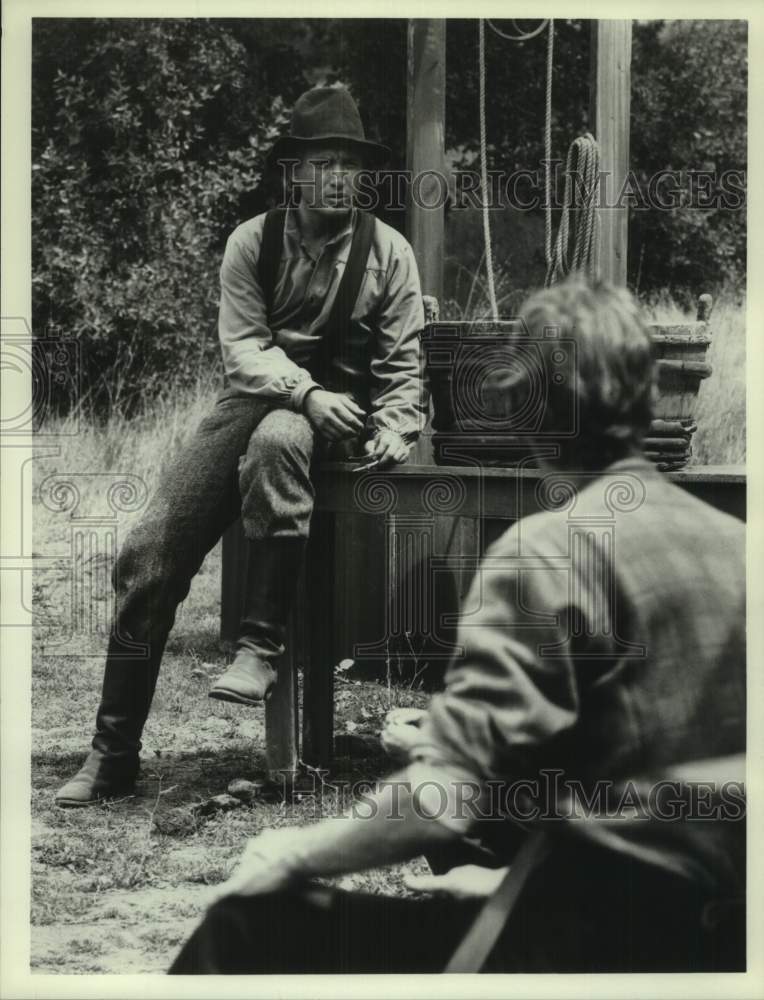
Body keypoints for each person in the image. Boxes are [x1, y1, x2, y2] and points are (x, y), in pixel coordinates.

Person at [168, 278, 745, 974]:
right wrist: (512, 883)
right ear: (648, 397)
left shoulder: (548, 552)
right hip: (721, 945)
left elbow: (444, 800)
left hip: (591, 951)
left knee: (245, 929)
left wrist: (288, 851)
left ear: (522, 409)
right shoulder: (740, 546)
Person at [55, 87, 428, 807]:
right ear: (294, 172)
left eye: (349, 164)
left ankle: (259, 647)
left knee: (281, 441)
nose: (338, 178)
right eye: (322, 163)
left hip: (336, 422)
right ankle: (113, 752)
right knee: (148, 553)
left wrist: (395, 425)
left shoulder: (390, 253)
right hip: (255, 403)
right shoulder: (251, 242)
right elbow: (244, 351)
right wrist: (304, 391)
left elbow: (402, 364)